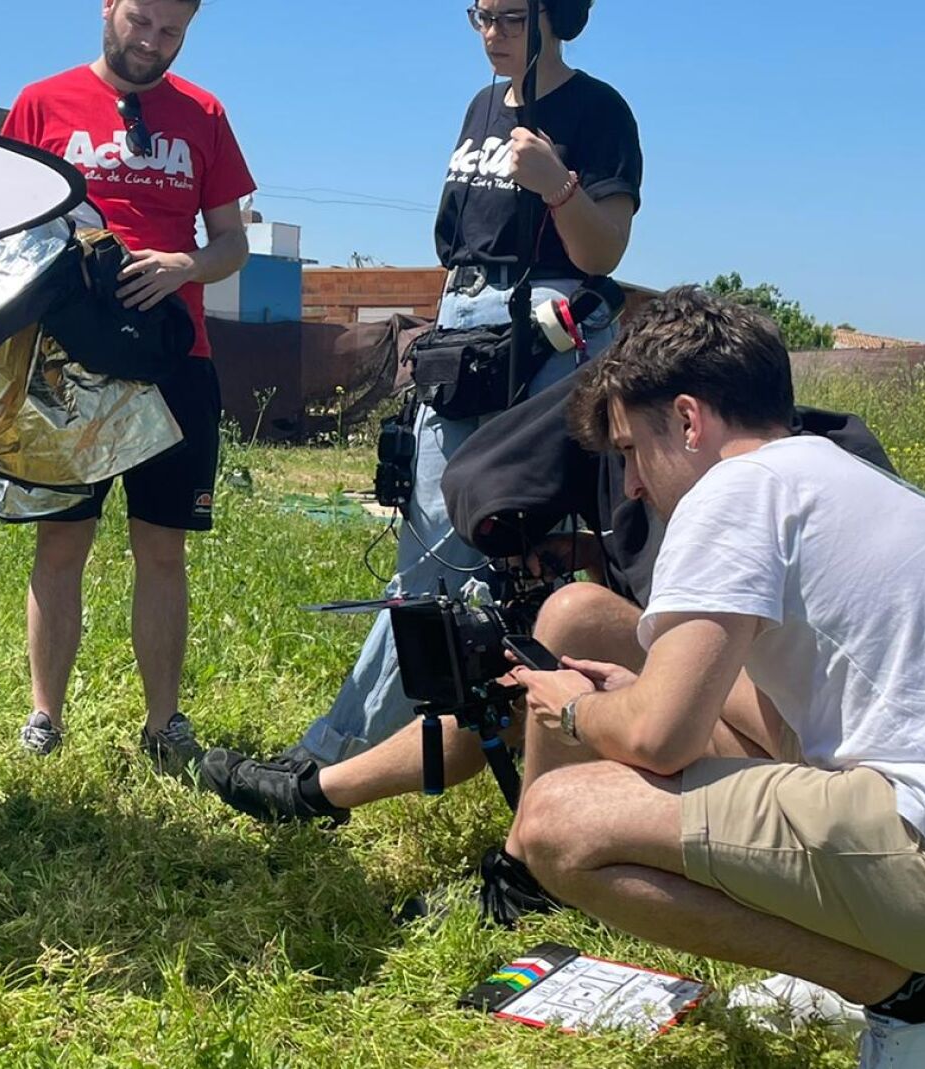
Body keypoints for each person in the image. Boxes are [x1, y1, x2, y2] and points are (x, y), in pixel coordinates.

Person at [501, 287, 925, 1069]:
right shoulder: (838, 476)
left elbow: (660, 736)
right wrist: (636, 694)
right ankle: (893, 954)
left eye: (630, 451)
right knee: (733, 717)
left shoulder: (733, 489)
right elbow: (764, 713)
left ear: (688, 420)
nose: (634, 484)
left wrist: (580, 711)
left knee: (558, 823)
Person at [199, 0, 640, 809]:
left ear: (555, 14)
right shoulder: (480, 108)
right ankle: (360, 752)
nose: (491, 33)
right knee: (432, 559)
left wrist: (558, 186)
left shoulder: (599, 110)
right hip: (463, 334)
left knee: (470, 563)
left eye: (510, 16)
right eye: (479, 15)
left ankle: (330, 760)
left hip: (542, 341)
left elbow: (604, 249)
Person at [0, 0, 255, 772]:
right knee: (61, 541)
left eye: (172, 31)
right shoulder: (41, 102)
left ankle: (164, 723)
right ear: (109, 6)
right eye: (140, 20)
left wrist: (185, 265)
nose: (152, 42)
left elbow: (232, 244)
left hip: (172, 358)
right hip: (61, 360)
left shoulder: (205, 115)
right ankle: (44, 716)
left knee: (163, 548)